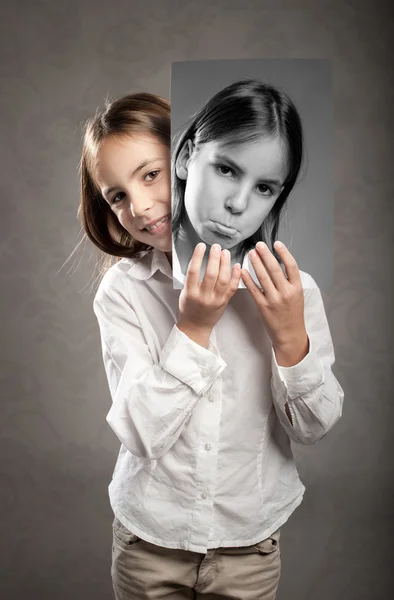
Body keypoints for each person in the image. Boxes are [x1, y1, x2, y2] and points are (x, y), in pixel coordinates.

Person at [78, 90, 344, 600]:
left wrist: (290, 336)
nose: (139, 206)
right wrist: (193, 328)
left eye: (148, 175)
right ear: (189, 160)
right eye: (116, 195)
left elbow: (314, 428)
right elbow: (139, 432)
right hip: (149, 540)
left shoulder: (294, 290)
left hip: (248, 544)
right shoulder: (123, 291)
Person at [172, 77, 303, 289]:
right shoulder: (127, 284)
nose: (238, 204)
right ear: (186, 159)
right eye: (226, 170)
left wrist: (290, 323)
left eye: (263, 188)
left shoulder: (298, 292)